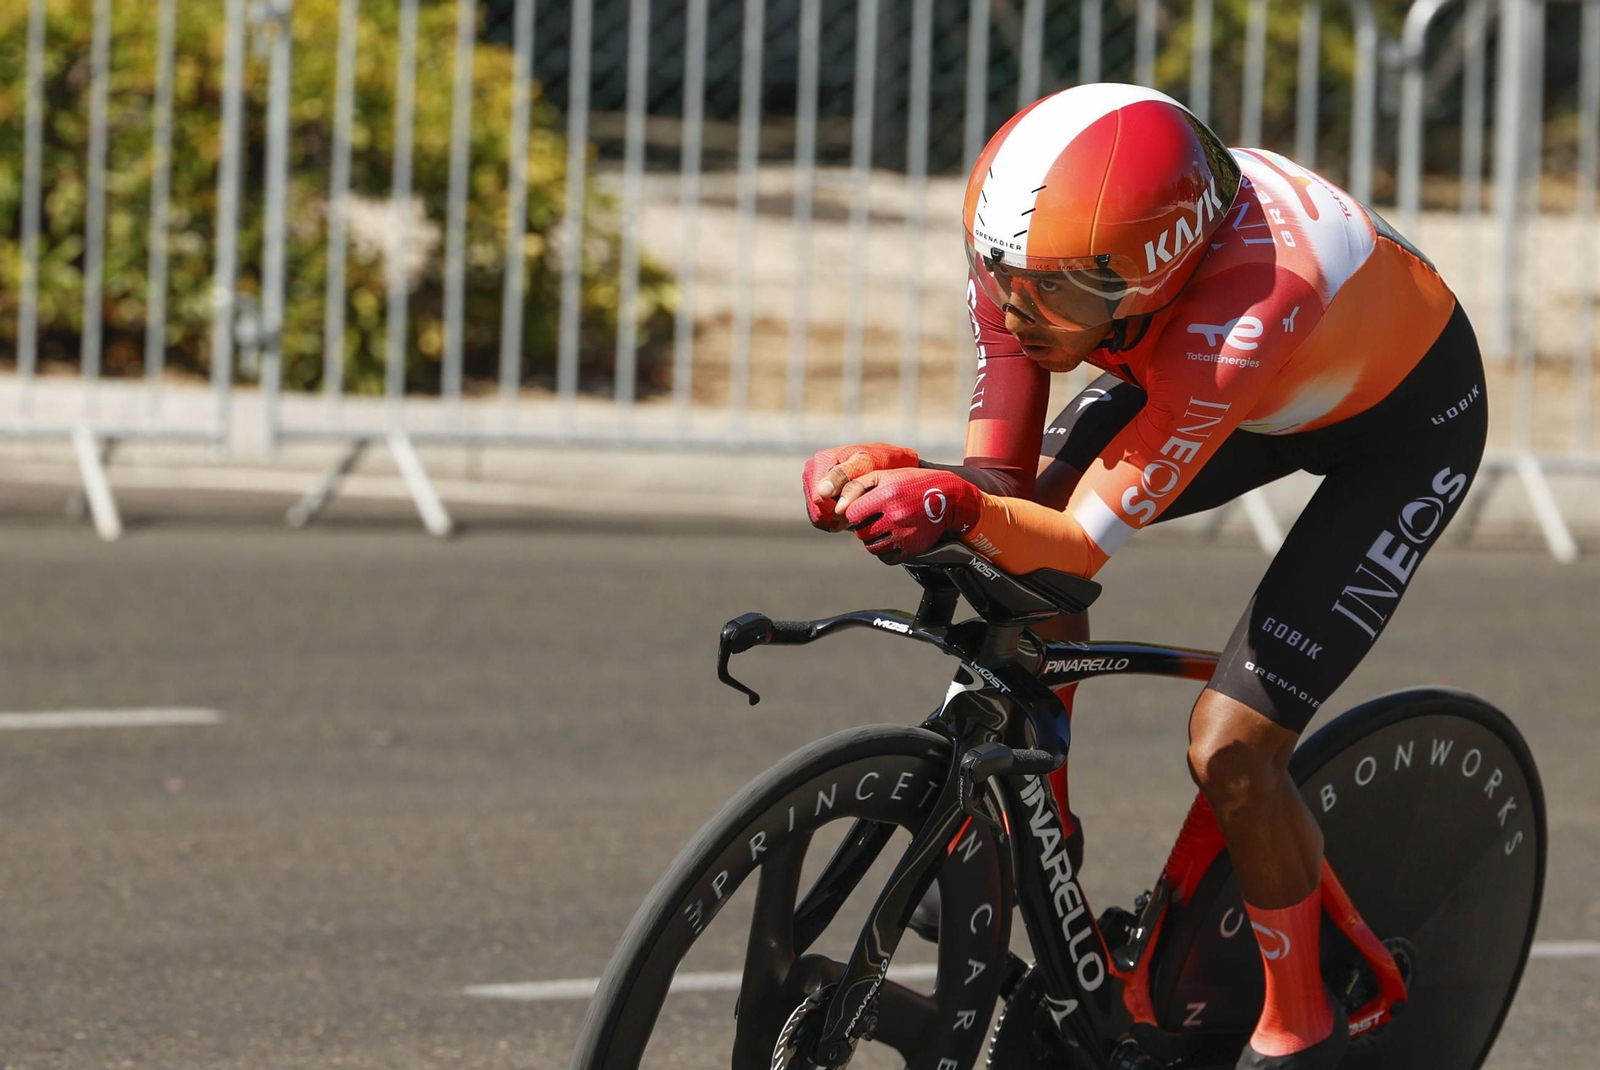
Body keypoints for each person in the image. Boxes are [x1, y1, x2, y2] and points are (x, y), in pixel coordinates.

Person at [801, 83, 1486, 1070]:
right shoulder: (1032, 268)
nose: (1019, 314)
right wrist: (909, 476)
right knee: (1008, 567)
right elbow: (1003, 497)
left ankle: (1295, 1026)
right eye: (1000, 278)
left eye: (1058, 296)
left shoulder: (1244, 308)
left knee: (1233, 745)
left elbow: (1073, 544)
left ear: (1153, 276)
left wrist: (952, 504)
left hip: (1401, 428)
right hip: (1261, 388)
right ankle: (1041, 823)